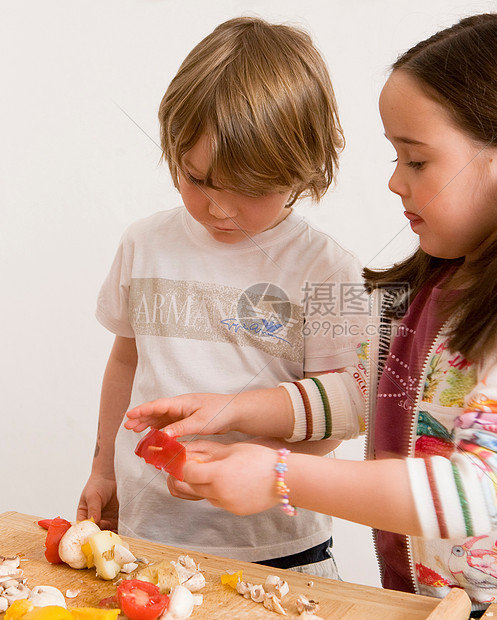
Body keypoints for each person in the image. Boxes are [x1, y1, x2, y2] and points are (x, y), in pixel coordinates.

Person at [125, 12, 497, 619]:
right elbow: (369, 393)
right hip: (441, 601)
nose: (395, 182)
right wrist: (237, 409)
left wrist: (279, 475)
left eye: (416, 161)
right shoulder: (444, 285)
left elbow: (479, 491)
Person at [77, 16, 367, 579]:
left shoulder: (329, 269)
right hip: (149, 534)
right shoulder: (144, 243)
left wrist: (265, 473)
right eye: (198, 179)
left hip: (278, 548)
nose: (220, 209)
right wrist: (104, 469)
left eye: (251, 191)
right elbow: (125, 360)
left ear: (303, 169)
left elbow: (345, 409)